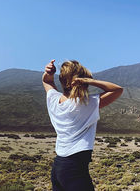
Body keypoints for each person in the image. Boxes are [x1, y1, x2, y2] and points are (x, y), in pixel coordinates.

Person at [42, 59, 123, 191]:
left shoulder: (53, 99)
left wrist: (48, 73)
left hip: (58, 167)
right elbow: (117, 90)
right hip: (75, 169)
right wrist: (90, 81)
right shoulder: (86, 104)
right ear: (81, 80)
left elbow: (47, 81)